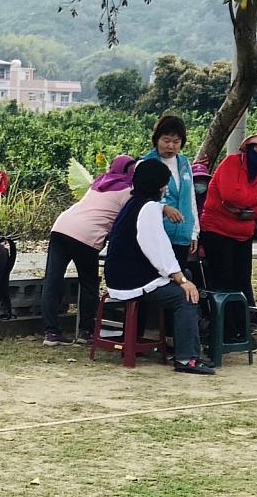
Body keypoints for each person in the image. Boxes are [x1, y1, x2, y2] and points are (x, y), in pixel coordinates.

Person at [104, 158, 214, 375]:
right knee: (185, 296)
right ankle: (186, 358)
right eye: (164, 184)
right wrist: (180, 280)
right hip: (132, 279)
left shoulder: (133, 203)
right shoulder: (149, 208)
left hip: (121, 274)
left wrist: (181, 276)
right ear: (158, 186)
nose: (165, 188)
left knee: (187, 276)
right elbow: (157, 249)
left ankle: (186, 342)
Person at [200, 130, 257, 349]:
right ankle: (224, 333)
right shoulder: (231, 163)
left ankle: (241, 332)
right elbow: (230, 195)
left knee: (241, 285)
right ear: (249, 147)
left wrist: (245, 208)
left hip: (243, 236)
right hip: (217, 233)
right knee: (223, 283)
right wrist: (254, 200)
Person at [41, 155, 137, 346]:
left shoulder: (98, 183)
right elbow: (125, 222)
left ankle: (51, 332)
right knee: (89, 284)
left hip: (61, 227)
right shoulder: (127, 191)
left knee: (52, 280)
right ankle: (85, 331)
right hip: (86, 236)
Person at [142, 115, 199, 271]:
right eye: (166, 141)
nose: (171, 146)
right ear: (157, 139)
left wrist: (194, 232)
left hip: (182, 235)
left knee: (178, 279)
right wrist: (163, 208)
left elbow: (190, 198)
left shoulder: (184, 163)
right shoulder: (146, 163)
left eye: (176, 142)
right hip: (157, 236)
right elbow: (140, 200)